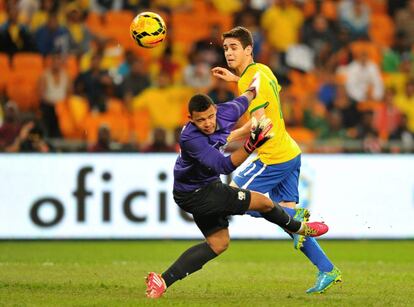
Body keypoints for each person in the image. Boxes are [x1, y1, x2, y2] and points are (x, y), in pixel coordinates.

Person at [145, 80, 329, 299]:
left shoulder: (225, 112)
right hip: (198, 193)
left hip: (202, 188)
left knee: (218, 243)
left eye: (210, 116)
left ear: (216, 110)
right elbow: (224, 166)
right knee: (264, 202)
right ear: (190, 120)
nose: (207, 123)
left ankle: (163, 281)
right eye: (200, 120)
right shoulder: (191, 138)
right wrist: (251, 145)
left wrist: (252, 87)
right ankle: (300, 228)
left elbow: (244, 100)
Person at [211, 26, 341, 294]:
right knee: (290, 227)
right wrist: (235, 80)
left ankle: (294, 216)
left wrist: (226, 136)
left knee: (231, 199)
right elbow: (268, 94)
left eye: (234, 47)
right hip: (290, 152)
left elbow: (259, 123)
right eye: (225, 48)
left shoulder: (248, 81)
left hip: (274, 157)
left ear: (248, 49)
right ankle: (328, 269)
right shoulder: (263, 71)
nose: (228, 53)